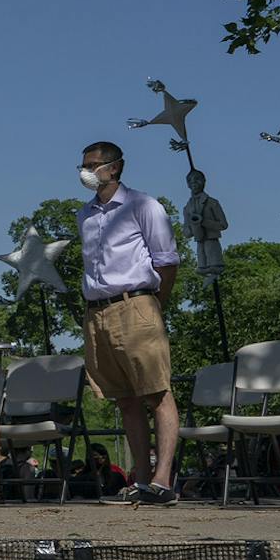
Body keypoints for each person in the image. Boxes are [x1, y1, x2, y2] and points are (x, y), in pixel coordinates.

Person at [78, 142, 182, 504]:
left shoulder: (144, 205)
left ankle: (163, 478)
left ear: (115, 168)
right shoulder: (85, 214)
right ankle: (140, 478)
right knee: (124, 398)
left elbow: (167, 261)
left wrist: (155, 306)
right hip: (97, 310)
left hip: (135, 302)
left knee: (156, 391)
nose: (86, 171)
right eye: (84, 164)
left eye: (93, 165)